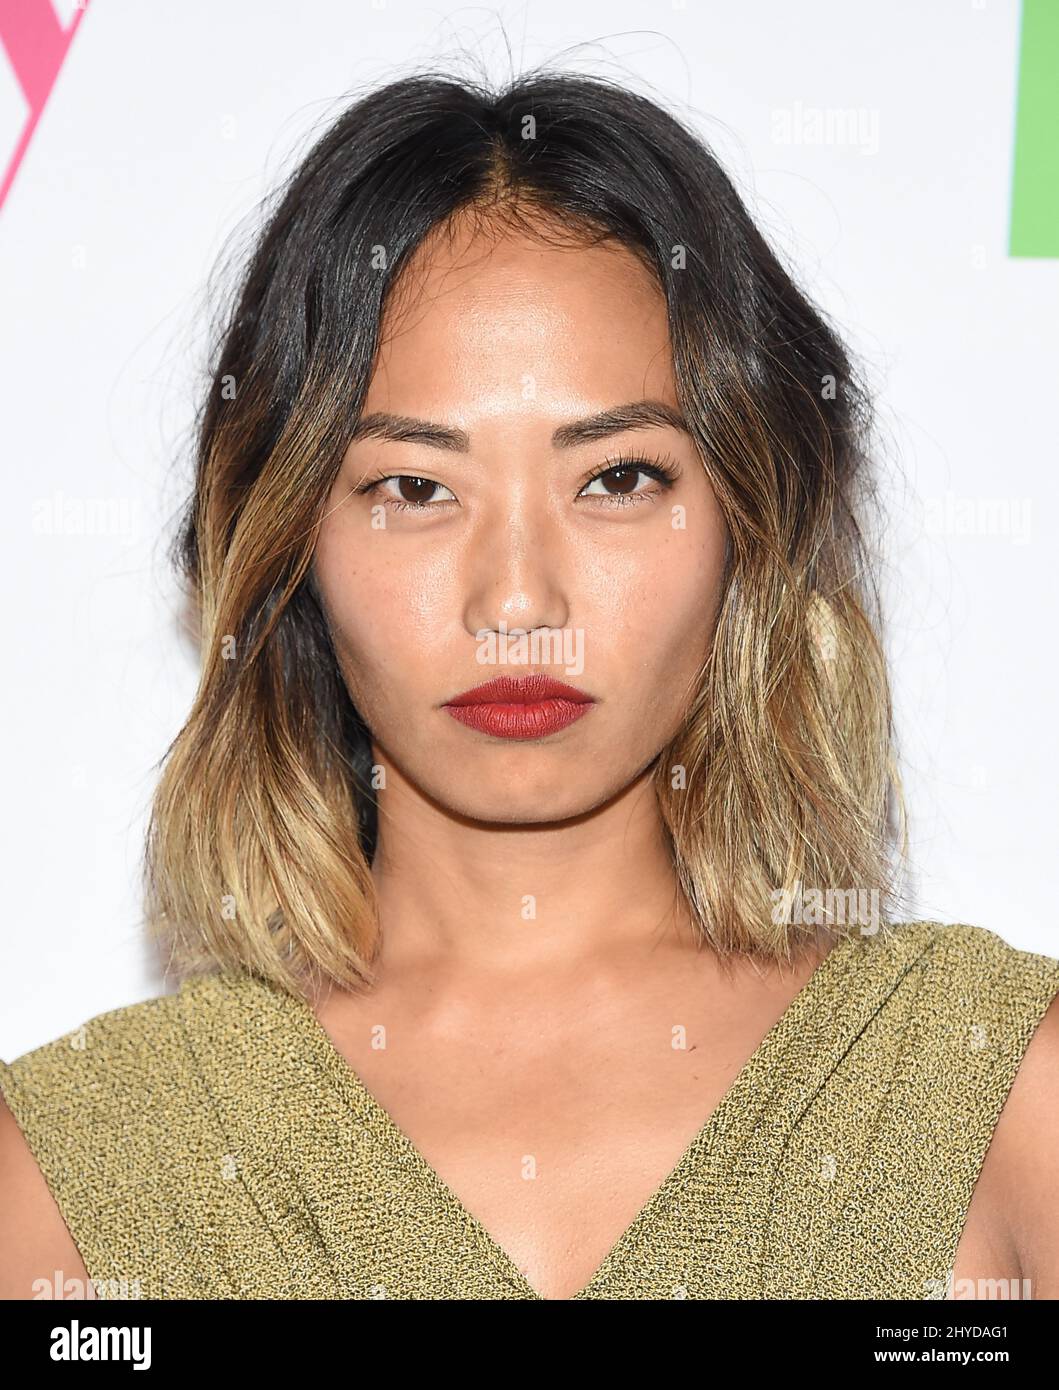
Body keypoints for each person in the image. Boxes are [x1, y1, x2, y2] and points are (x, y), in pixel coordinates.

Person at [2, 70, 1057, 1302]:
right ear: (291, 541)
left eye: (615, 479)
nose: (517, 602)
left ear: (752, 522)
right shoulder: (76, 1181)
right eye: (413, 486)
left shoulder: (991, 1095)